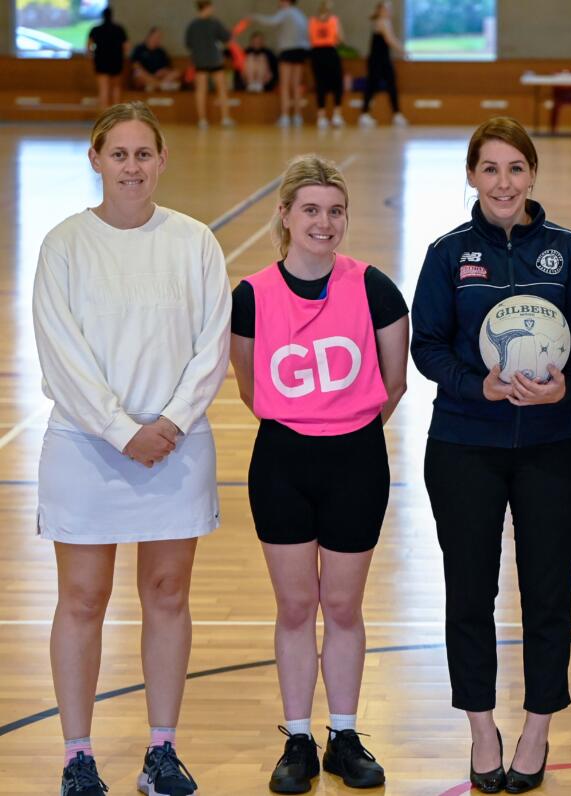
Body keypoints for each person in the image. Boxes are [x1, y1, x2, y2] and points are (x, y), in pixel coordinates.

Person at [33, 101, 230, 796]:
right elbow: (61, 354)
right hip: (87, 448)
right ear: (95, 160)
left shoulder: (195, 241)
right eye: (119, 154)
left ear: (162, 160)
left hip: (175, 447)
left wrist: (169, 423)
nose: (132, 167)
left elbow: (213, 346)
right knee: (82, 599)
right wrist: (121, 430)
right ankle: (78, 755)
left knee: (168, 594)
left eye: (143, 154)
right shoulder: (64, 245)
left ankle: (161, 751)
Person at [410, 117, 571, 794]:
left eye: (515, 168)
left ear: (532, 175)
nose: (502, 182)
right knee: (470, 592)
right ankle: (481, 727)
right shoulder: (447, 254)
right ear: (471, 176)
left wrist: (566, 388)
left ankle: (537, 730)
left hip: (553, 448)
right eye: (489, 169)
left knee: (548, 594)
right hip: (465, 444)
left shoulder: (567, 251)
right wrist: (477, 384)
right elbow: (426, 344)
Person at [228, 153, 409, 794]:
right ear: (285, 215)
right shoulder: (250, 294)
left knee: (343, 603)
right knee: (296, 604)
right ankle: (298, 738)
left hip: (356, 458)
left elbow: (395, 381)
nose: (324, 223)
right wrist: (302, 420)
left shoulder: (373, 286)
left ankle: (347, 735)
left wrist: (344, 423)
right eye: (310, 210)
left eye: (335, 211)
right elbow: (250, 385)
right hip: (281, 459)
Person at [248, 0, 310, 127]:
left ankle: (285, 116)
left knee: (285, 85)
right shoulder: (300, 14)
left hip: (287, 50)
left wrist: (255, 17)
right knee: (296, 84)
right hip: (301, 51)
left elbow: (272, 21)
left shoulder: (285, 12)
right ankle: (298, 116)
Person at [184, 0, 234, 128]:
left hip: (200, 61)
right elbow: (227, 39)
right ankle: (225, 118)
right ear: (206, 7)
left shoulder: (192, 25)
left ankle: (202, 120)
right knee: (221, 89)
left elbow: (188, 44)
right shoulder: (214, 23)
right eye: (211, 6)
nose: (213, 9)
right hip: (215, 59)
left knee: (201, 90)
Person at [359, 2, 407, 127]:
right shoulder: (382, 22)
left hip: (384, 59)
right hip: (376, 60)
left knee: (391, 83)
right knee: (372, 85)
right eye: (387, 9)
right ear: (381, 10)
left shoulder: (385, 22)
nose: (389, 11)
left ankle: (396, 114)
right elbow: (390, 40)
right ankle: (364, 114)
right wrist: (403, 50)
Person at [308, 1, 345, 128]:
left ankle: (321, 117)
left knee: (320, 84)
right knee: (337, 84)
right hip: (329, 52)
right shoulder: (334, 20)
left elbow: (310, 38)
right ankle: (336, 115)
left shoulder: (312, 21)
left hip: (316, 54)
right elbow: (340, 39)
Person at [87, 7, 128, 109]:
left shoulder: (95, 29)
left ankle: (103, 117)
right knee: (116, 89)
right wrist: (121, 56)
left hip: (101, 62)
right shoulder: (119, 29)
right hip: (116, 61)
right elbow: (127, 47)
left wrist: (92, 56)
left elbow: (88, 46)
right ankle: (116, 117)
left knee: (103, 89)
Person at [130, 27, 181, 92]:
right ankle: (160, 85)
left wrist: (162, 72)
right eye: (155, 37)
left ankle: (154, 85)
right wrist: (149, 75)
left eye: (159, 38)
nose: (157, 39)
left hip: (159, 76)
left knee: (177, 72)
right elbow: (135, 65)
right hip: (144, 75)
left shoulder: (161, 51)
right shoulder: (139, 49)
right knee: (137, 72)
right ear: (149, 36)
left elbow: (168, 68)